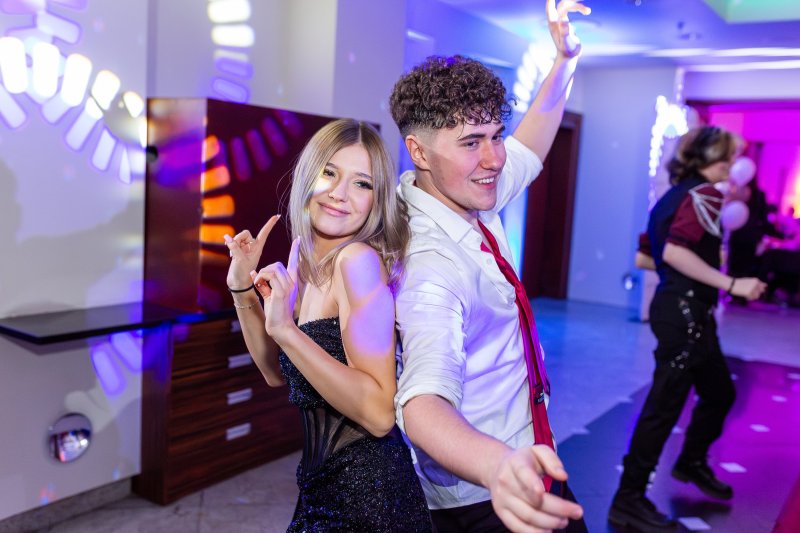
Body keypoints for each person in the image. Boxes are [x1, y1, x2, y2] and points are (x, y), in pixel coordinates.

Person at [390, 1, 590, 531]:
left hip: (530, 453)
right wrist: (498, 466)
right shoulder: (430, 263)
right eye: (472, 142)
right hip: (483, 494)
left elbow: (533, 143)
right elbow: (422, 401)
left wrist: (565, 60)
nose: (495, 158)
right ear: (419, 153)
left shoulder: (471, 191)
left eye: (496, 135)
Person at [224, 119, 432, 532]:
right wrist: (241, 285)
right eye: (329, 173)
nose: (339, 193)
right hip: (320, 487)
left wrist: (287, 331)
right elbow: (275, 372)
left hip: (370, 499)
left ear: (376, 200)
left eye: (362, 183)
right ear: (308, 176)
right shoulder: (303, 259)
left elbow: (379, 413)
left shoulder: (357, 262)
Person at [608, 126, 767, 531]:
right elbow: (675, 252)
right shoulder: (706, 194)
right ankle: (628, 499)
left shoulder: (673, 195)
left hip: (683, 312)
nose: (732, 165)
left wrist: (693, 264)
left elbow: (648, 258)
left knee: (719, 391)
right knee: (664, 408)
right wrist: (732, 283)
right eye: (727, 156)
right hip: (685, 314)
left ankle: (691, 461)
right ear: (710, 157)